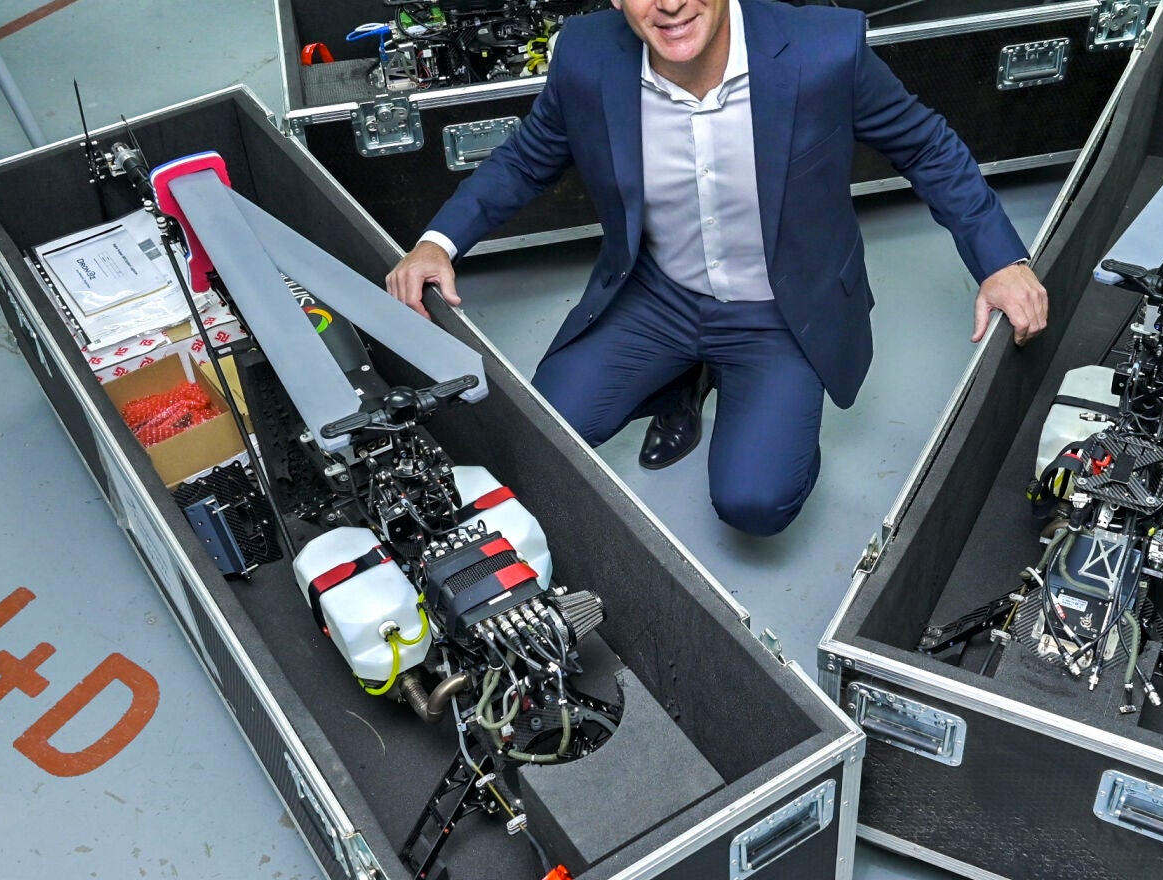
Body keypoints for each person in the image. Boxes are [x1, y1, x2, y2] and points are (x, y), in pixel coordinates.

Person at [387, 0, 1048, 536]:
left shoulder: (824, 49)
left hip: (779, 313)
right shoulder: (586, 55)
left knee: (756, 503)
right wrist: (438, 242)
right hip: (657, 297)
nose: (670, 5)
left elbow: (927, 147)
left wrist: (1000, 260)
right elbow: (526, 159)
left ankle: (766, 411)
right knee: (544, 433)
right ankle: (685, 377)